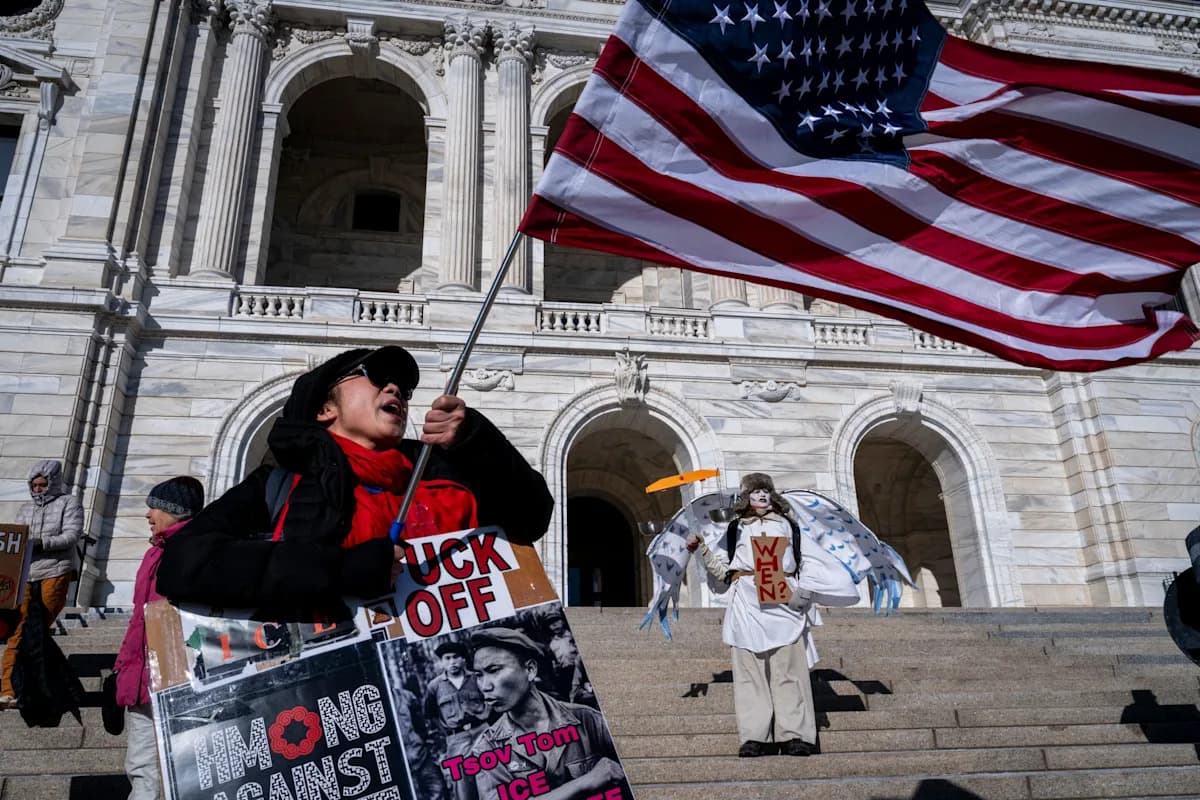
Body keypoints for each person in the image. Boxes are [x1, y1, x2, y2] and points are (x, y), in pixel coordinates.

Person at [156, 346, 554, 613]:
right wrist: (342, 569)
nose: (396, 387)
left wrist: (476, 442)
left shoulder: (438, 470)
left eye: (404, 386)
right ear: (324, 408)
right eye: (377, 375)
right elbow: (182, 564)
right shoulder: (280, 483)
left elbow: (531, 518)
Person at [686, 472, 855, 757]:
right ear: (746, 498)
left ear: (772, 496)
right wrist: (701, 548)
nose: (761, 496)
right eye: (755, 492)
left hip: (783, 603)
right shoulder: (735, 528)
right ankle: (755, 736)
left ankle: (795, 735)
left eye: (765, 491)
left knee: (789, 672)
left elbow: (810, 560)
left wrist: (804, 593)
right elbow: (722, 571)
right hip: (747, 603)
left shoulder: (790, 526)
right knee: (750, 674)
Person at [112, 477, 205, 800]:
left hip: (176, 684)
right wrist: (121, 671)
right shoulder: (153, 554)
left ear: (175, 511)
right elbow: (138, 624)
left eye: (155, 507)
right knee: (142, 769)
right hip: (140, 682)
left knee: (166, 774)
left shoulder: (196, 551)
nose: (148, 514)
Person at [457, 627, 629, 800]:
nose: (485, 686)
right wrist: (586, 782)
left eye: (494, 670)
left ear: (530, 669)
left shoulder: (585, 719)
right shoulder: (487, 750)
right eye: (479, 675)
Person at [0, 460, 83, 709]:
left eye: (42, 484)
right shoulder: (25, 508)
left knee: (37, 625)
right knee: (20, 627)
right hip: (26, 573)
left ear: (53, 482)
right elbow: (17, 538)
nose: (38, 489)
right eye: (34, 485)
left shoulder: (69, 503)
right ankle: (8, 688)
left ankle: (38, 682)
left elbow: (72, 535)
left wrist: (41, 543)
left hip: (56, 570)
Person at [423, 640, 488, 800]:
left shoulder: (476, 678)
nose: (452, 662)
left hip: (483, 731)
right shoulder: (435, 686)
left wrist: (486, 715)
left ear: (463, 659)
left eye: (455, 657)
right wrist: (447, 732)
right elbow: (431, 714)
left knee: (492, 774)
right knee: (463, 785)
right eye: (447, 658)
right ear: (441, 662)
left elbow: (491, 697)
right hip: (456, 738)